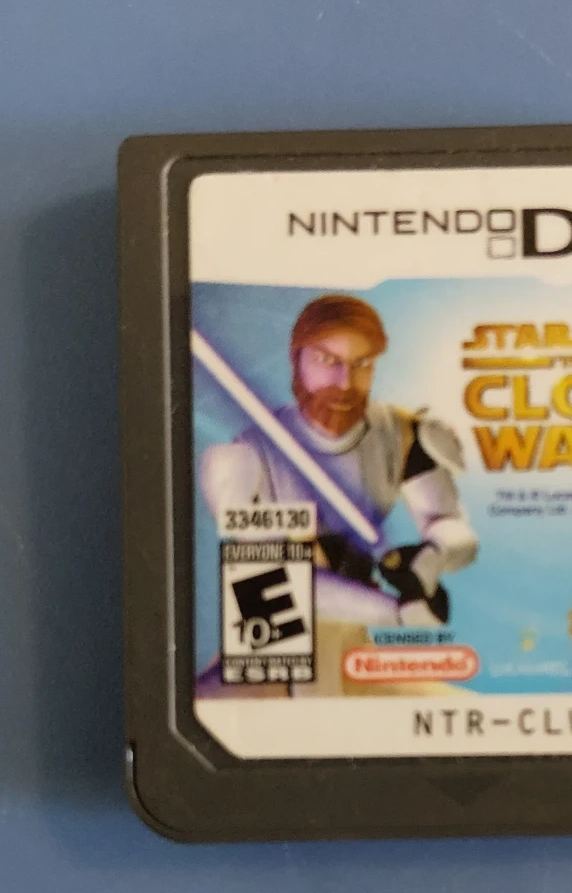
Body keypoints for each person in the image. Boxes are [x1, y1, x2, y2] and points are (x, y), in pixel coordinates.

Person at [199, 295, 478, 693]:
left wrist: (435, 555)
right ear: (296, 360)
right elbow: (269, 579)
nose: (345, 383)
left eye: (361, 364)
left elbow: (451, 526)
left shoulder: (401, 433)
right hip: (270, 636)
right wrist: (395, 612)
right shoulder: (242, 458)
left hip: (352, 634)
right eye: (326, 360)